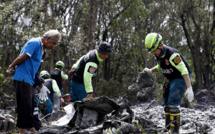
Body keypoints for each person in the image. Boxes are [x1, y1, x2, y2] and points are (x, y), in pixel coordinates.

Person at [6, 30, 61, 134]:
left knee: (30, 105)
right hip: (22, 78)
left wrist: (39, 81)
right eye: (53, 43)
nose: (53, 46)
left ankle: (31, 128)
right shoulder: (35, 42)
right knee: (24, 105)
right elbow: (22, 57)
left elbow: (33, 68)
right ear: (48, 38)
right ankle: (22, 130)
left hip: (29, 79)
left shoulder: (42, 50)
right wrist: (11, 65)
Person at [143, 33, 194, 134]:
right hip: (170, 78)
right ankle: (167, 127)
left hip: (181, 78)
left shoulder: (172, 55)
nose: (153, 53)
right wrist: (150, 71)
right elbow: (160, 66)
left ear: (160, 46)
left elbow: (184, 71)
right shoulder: (158, 54)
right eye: (151, 51)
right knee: (166, 103)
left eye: (154, 50)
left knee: (172, 103)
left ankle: (175, 131)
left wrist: (189, 88)